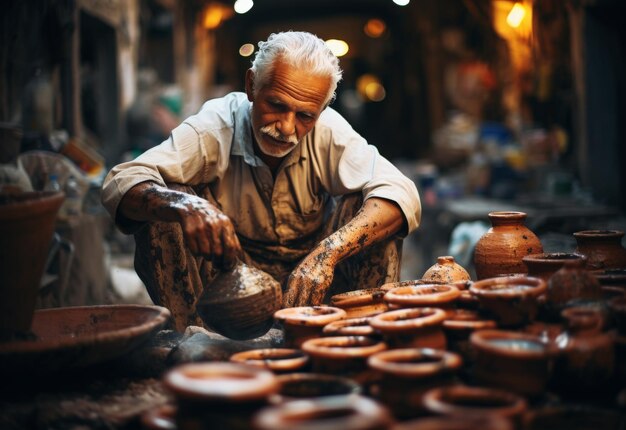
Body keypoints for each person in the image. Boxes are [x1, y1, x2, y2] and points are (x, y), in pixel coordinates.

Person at [101, 31, 421, 331]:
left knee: (373, 214)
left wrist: (327, 254)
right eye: (276, 105)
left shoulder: (329, 131)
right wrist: (186, 206)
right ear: (252, 85)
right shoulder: (216, 124)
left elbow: (400, 191)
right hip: (228, 278)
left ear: (321, 110)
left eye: (305, 116)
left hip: (312, 281)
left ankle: (359, 339)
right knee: (166, 202)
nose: (286, 126)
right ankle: (193, 343)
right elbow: (122, 180)